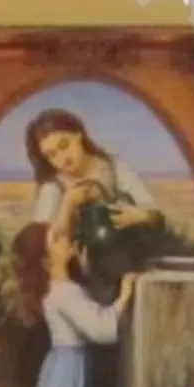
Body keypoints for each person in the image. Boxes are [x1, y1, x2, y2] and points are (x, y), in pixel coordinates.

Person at [3, 222, 137, 387]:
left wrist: (84, 266)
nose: (65, 239)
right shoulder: (65, 292)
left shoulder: (59, 290)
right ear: (45, 260)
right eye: (57, 239)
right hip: (70, 369)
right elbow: (102, 329)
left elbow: (88, 310)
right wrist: (125, 295)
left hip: (59, 365)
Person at [25, 108, 168, 300]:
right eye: (52, 155)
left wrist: (139, 215)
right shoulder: (53, 188)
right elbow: (40, 245)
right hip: (77, 283)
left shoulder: (112, 168)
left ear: (78, 135)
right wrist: (68, 205)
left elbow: (155, 213)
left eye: (64, 145)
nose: (62, 159)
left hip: (126, 264)